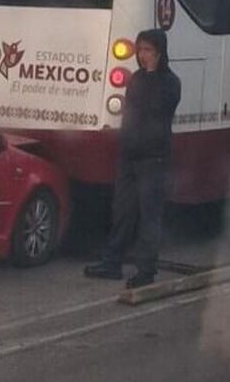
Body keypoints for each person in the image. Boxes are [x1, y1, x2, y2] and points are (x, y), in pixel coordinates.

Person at [84, 28, 181, 289]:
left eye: (147, 50)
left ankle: (146, 269)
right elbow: (131, 112)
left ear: (159, 52)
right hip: (130, 155)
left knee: (149, 216)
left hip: (154, 158)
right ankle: (112, 262)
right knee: (123, 211)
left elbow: (157, 110)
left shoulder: (170, 82)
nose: (142, 55)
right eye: (140, 50)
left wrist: (151, 74)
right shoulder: (136, 78)